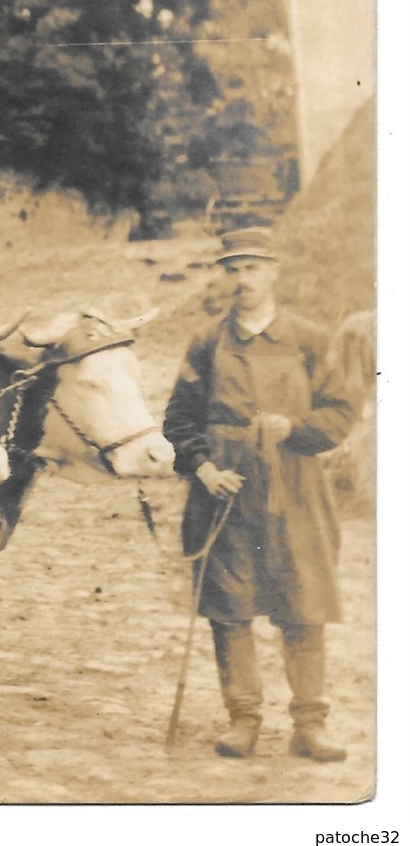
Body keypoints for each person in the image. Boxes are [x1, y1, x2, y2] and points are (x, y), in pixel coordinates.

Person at [163, 225, 356, 761]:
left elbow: (341, 413)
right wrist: (202, 469)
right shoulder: (206, 342)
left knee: (304, 604)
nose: (241, 279)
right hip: (225, 493)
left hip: (295, 490)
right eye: (232, 269)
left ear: (274, 270)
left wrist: (294, 429)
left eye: (251, 267)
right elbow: (178, 420)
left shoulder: (311, 339)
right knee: (231, 609)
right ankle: (243, 719)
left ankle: (310, 724)